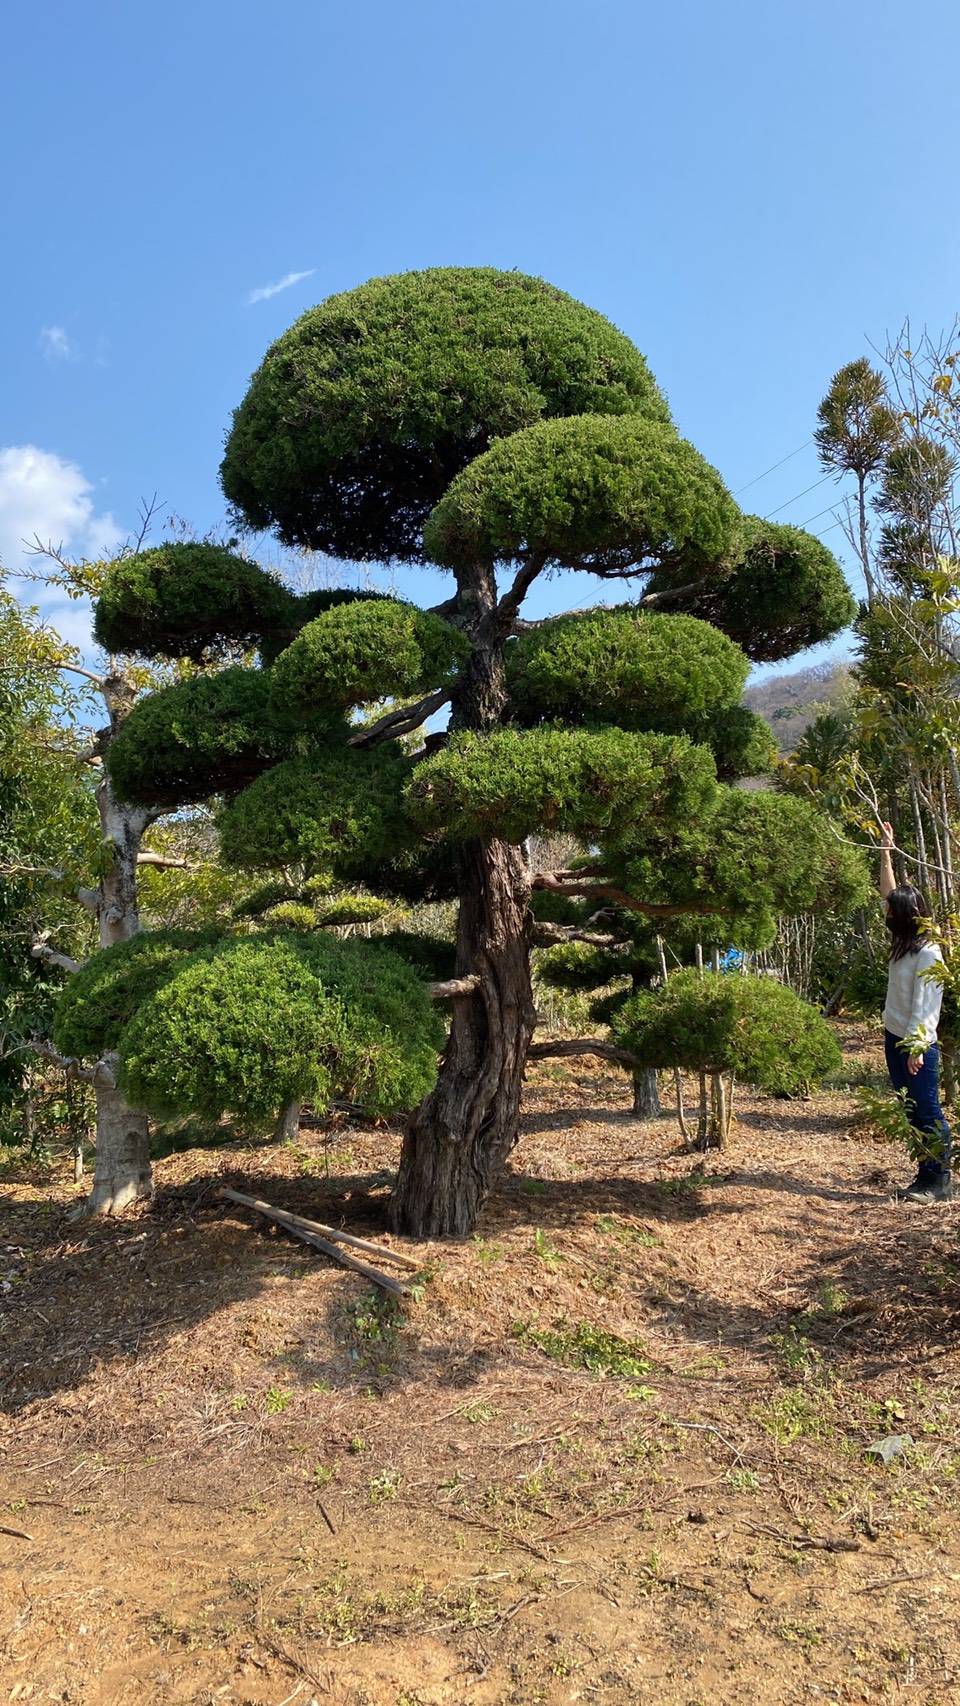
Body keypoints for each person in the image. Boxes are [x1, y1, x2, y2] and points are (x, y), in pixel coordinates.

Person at [879, 822, 952, 1203]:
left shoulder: (927, 951)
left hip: (914, 1042)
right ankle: (924, 1175)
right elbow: (888, 892)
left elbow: (928, 1005)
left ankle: (940, 1182)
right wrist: (886, 851)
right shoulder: (904, 941)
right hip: (894, 1035)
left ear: (907, 914)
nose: (886, 911)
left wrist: (917, 1047)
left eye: (892, 910)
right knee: (912, 1110)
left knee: (927, 1109)